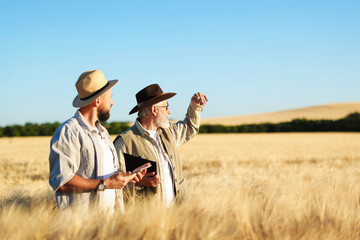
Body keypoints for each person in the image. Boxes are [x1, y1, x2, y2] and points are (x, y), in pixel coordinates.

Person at [49, 70, 148, 212]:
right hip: (83, 225)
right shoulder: (68, 132)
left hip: (110, 222)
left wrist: (126, 178)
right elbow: (61, 181)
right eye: (110, 98)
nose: (113, 103)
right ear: (97, 101)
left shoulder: (103, 133)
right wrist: (105, 184)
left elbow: (109, 179)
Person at [114, 84, 208, 207]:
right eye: (166, 107)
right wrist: (137, 183)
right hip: (146, 220)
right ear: (154, 109)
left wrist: (195, 106)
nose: (169, 112)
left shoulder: (169, 132)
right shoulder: (124, 142)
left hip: (177, 213)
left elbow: (189, 128)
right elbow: (114, 186)